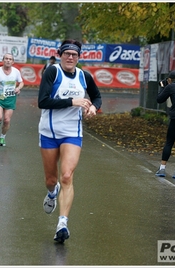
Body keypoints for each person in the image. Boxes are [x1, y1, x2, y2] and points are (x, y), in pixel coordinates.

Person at [38, 39, 102, 243]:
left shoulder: (84, 76)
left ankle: (62, 224)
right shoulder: (52, 72)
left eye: (74, 55)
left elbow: (97, 97)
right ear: (60, 55)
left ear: (78, 57)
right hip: (49, 131)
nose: (70, 57)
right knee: (51, 180)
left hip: (72, 132)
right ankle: (52, 193)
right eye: (67, 54)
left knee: (66, 175)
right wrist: (72, 102)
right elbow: (42, 101)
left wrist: (93, 108)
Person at [0, 53, 24, 146]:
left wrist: (18, 88)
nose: (8, 60)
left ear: (13, 62)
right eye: (6, 58)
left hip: (10, 99)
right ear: (3, 60)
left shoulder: (16, 72)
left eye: (10, 59)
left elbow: (21, 82)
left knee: (7, 120)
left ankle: (2, 137)